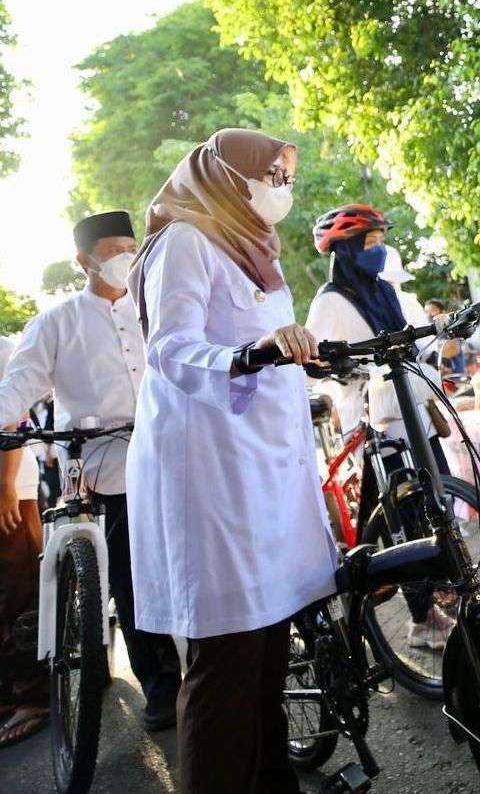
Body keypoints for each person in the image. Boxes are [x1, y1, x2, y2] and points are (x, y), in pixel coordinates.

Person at [126, 128, 341, 793]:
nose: (281, 184)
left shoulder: (254, 251)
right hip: (211, 479)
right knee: (227, 663)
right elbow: (171, 347)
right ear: (225, 174)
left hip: (262, 472)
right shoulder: (188, 240)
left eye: (285, 173)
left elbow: (271, 342)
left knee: (271, 651)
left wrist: (305, 355)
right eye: (270, 172)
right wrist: (247, 356)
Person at [0, 209, 183, 734]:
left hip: (169, 449)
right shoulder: (56, 323)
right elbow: (20, 386)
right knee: (128, 571)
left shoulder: (155, 307)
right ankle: (161, 682)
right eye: (112, 252)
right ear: (84, 261)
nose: (126, 258)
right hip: (103, 462)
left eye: (131, 247)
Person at [305, 204, 455, 651]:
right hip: (375, 421)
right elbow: (313, 364)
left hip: (412, 412)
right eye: (369, 243)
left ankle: (451, 589)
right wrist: (339, 368)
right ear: (346, 249)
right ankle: (422, 619)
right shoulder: (330, 301)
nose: (378, 249)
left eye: (379, 241)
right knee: (404, 519)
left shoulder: (384, 292)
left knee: (438, 501)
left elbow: (409, 339)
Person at [0, 335, 46, 749]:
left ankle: (31, 697)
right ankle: (6, 695)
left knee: (18, 595)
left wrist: (5, 487)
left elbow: (12, 420)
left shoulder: (4, 350)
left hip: (11, 488)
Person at [424, 298, 467, 379]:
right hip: (442, 378)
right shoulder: (430, 333)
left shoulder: (449, 327)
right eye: (426, 312)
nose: (429, 314)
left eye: (433, 310)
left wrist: (434, 357)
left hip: (456, 375)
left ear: (442, 311)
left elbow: (453, 350)